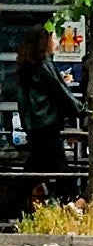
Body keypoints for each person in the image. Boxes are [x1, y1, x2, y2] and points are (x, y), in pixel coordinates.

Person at [14, 27, 84, 200]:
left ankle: (66, 200)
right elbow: (60, 91)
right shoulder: (44, 65)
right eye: (52, 39)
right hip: (48, 123)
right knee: (58, 167)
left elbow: (22, 101)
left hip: (34, 125)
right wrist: (81, 110)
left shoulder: (25, 67)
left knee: (37, 168)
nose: (55, 43)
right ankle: (69, 201)